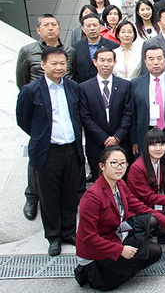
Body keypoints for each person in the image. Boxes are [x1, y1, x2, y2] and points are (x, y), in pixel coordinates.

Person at [75, 146, 165, 290]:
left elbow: (140, 207)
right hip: (96, 253)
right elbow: (89, 238)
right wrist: (120, 250)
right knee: (150, 252)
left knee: (152, 240)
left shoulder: (120, 184)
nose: (119, 167)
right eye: (114, 163)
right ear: (102, 166)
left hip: (114, 234)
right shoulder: (92, 197)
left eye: (123, 163)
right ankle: (95, 273)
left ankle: (124, 260)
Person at [16, 47, 85, 256]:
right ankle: (53, 236)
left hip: (71, 148)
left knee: (70, 194)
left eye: (62, 63)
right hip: (48, 151)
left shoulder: (73, 87)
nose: (58, 67)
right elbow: (23, 120)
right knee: (49, 196)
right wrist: (41, 135)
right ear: (43, 65)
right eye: (53, 63)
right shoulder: (30, 90)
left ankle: (68, 232)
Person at [16, 14, 75, 221]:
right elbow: (22, 81)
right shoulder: (27, 51)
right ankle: (32, 197)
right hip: (39, 111)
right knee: (37, 157)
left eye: (54, 24)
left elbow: (73, 77)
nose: (51, 28)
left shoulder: (70, 51)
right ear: (38, 30)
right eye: (46, 25)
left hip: (63, 109)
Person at [79, 48, 133, 181]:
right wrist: (104, 138)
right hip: (96, 144)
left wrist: (117, 137)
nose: (106, 64)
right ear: (95, 62)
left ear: (115, 62)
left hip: (121, 143)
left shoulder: (125, 85)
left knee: (122, 182)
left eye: (109, 61)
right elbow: (85, 117)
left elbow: (128, 113)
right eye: (102, 60)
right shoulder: (84, 87)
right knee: (99, 183)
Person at [131, 45, 165, 170]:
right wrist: (134, 140)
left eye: (159, 58)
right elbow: (132, 113)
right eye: (151, 59)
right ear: (145, 62)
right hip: (145, 134)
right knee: (147, 171)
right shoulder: (136, 83)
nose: (155, 62)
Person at [72, 13, 120, 82]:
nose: (92, 28)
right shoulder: (75, 47)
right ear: (83, 28)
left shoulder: (113, 46)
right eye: (88, 26)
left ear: (100, 26)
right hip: (82, 86)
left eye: (95, 25)